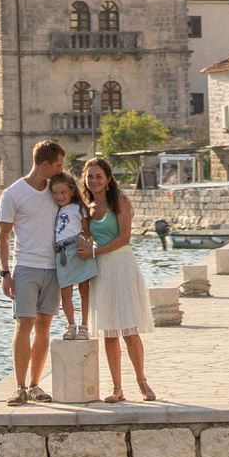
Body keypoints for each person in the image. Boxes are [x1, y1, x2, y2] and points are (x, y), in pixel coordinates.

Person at [81, 155, 155, 402]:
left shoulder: (119, 201)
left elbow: (125, 237)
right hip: (101, 270)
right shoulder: (87, 208)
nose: (94, 180)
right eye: (90, 176)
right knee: (109, 332)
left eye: (98, 176)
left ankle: (142, 380)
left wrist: (94, 252)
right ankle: (117, 388)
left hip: (122, 265)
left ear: (108, 179)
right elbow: (84, 239)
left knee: (129, 329)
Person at [0, 140, 64, 404]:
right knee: (25, 324)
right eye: (58, 164)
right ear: (45, 164)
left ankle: (36, 385)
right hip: (25, 267)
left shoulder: (55, 190)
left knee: (44, 326)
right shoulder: (13, 194)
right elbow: (2, 237)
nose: (61, 169)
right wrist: (4, 273)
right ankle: (20, 386)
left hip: (54, 268)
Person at [51, 170, 97, 337]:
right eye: (55, 193)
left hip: (77, 249)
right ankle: (71, 324)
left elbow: (86, 230)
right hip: (62, 252)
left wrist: (83, 240)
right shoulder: (55, 209)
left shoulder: (79, 208)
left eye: (63, 192)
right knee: (66, 291)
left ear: (72, 191)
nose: (59, 196)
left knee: (84, 290)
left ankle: (85, 325)